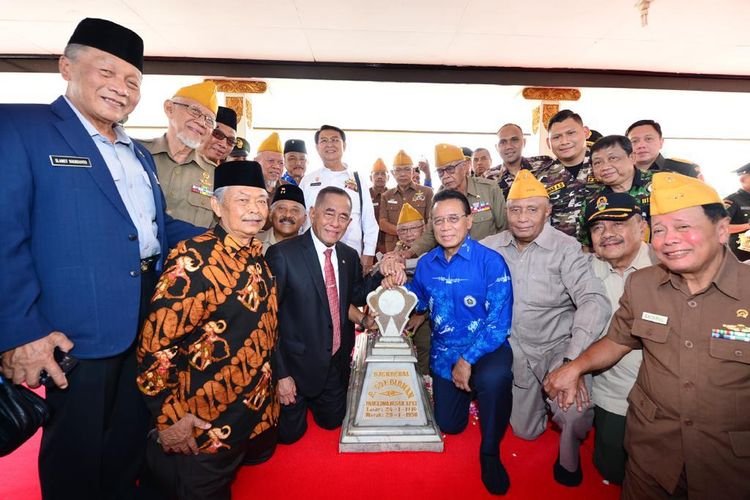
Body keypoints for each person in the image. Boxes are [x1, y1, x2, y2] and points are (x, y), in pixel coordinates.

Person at [0, 18, 198, 499]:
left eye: (133, 81)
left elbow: (151, 231)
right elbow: (4, 233)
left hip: (144, 323)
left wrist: (229, 238)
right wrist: (20, 331)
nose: (121, 88)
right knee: (75, 454)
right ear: (66, 66)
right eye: (106, 71)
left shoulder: (138, 154)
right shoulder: (20, 127)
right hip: (71, 334)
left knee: (126, 442)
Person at [545, 172, 750, 500]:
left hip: (729, 460)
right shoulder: (642, 285)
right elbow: (617, 339)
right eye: (662, 229)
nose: (669, 239)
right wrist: (575, 367)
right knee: (612, 470)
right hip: (653, 446)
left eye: (684, 227)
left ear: (722, 229)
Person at [137, 161, 277, 499]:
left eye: (261, 201)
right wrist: (169, 418)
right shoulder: (193, 257)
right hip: (202, 423)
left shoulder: (256, 254)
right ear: (216, 205)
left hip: (249, 413)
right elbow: (156, 345)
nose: (255, 210)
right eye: (243, 200)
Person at [481, 170, 610, 487]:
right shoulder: (492, 246)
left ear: (548, 211)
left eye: (532, 209)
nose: (522, 218)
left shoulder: (566, 248)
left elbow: (595, 300)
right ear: (506, 211)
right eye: (515, 209)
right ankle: (539, 404)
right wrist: (398, 262)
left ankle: (569, 458)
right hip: (515, 351)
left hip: (556, 349)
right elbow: (451, 255)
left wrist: (573, 363)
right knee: (525, 432)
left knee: (574, 411)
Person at [266, 187, 395, 444]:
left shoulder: (348, 256)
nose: (336, 223)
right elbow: (268, 321)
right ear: (312, 214)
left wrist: (381, 272)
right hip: (295, 365)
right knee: (290, 436)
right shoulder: (282, 255)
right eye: (329, 213)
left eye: (344, 217)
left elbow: (356, 296)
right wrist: (281, 376)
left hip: (333, 362)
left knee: (332, 423)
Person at [405, 189, 514, 495]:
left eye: (453, 218)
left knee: (494, 379)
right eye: (438, 221)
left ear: (469, 221)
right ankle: (466, 395)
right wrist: (396, 284)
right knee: (450, 425)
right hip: (444, 354)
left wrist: (467, 360)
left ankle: (490, 451)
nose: (445, 226)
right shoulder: (427, 263)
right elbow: (420, 299)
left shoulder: (490, 262)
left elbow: (499, 325)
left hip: (485, 348)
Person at [582, 192, 657, 484]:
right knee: (611, 471)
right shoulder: (586, 269)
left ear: (641, 225)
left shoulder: (665, 263)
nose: (607, 234)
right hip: (612, 392)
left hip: (664, 397)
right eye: (598, 227)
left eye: (617, 224)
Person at [299, 124, 379, 272]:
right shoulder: (307, 181)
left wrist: (368, 253)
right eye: (324, 140)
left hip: (350, 256)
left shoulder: (358, 180)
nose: (329, 144)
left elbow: (368, 219)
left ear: (344, 145)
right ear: (317, 147)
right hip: (311, 255)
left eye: (335, 140)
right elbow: (300, 219)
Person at [405, 143, 507, 257]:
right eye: (440, 172)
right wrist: (409, 253)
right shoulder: (439, 200)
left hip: (487, 259)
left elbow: (504, 228)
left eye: (450, 169)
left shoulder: (489, 189)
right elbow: (430, 235)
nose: (445, 176)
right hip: (454, 262)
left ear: (464, 166)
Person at [141, 80, 218, 228]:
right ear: (169, 108)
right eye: (195, 111)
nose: (202, 122)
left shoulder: (215, 175)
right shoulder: (136, 153)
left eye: (209, 120)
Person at [535, 109, 600, 238]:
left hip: (603, 252)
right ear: (549, 143)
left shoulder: (605, 167)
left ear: (585, 132)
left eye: (571, 133)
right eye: (557, 137)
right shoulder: (540, 179)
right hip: (559, 254)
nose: (564, 141)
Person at [578, 135, 653, 246]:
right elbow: (587, 245)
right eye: (598, 163)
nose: (605, 167)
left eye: (613, 158)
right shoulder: (592, 201)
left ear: (632, 157)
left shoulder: (660, 184)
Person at [379, 150, 433, 253]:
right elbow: (382, 223)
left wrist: (414, 235)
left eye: (407, 169)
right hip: (394, 248)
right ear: (393, 173)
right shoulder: (386, 195)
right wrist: (405, 233)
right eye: (398, 170)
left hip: (421, 247)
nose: (402, 174)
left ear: (413, 171)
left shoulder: (426, 192)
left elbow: (430, 221)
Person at [486, 123, 551, 199]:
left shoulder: (544, 165)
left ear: (524, 142)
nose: (509, 146)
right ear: (497, 147)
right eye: (503, 142)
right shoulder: (488, 178)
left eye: (514, 140)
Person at [625, 119, 700, 178]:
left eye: (648, 139)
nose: (641, 145)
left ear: (661, 142)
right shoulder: (619, 174)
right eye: (634, 141)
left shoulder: (686, 170)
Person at [257, 184, 307, 254]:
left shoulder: (310, 249)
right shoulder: (253, 242)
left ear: (304, 219)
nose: (288, 214)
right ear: (271, 214)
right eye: (281, 208)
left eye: (295, 210)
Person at [723, 162, 750, 261]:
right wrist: (747, 226)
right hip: (740, 257)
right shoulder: (732, 200)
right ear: (743, 179)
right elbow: (720, 227)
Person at [255, 132, 285, 196]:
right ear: (256, 161)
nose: (276, 166)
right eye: (271, 161)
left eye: (281, 163)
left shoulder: (289, 189)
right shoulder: (246, 186)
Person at [370, 158, 389, 255]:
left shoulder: (393, 195)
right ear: (371, 178)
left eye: (383, 174)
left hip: (389, 243)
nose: (380, 177)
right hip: (370, 243)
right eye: (376, 174)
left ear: (388, 178)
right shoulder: (365, 196)